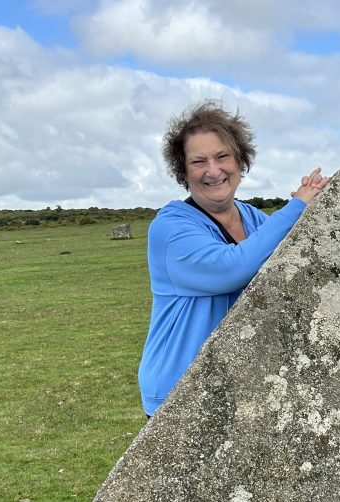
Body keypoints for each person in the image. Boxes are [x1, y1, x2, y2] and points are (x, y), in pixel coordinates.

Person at [137, 100, 329, 416]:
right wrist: (295, 211)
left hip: (232, 385)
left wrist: (308, 222)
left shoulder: (252, 218)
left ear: (240, 160)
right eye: (198, 162)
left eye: (222, 156)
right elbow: (231, 268)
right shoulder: (171, 228)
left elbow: (287, 266)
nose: (213, 171)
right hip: (178, 392)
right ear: (183, 171)